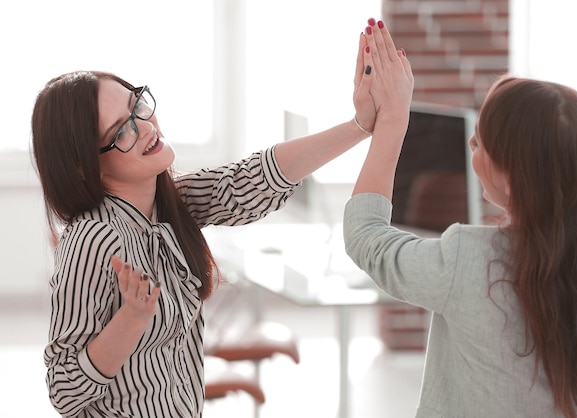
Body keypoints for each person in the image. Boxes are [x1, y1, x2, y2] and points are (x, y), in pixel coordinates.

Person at [31, 18, 411, 417]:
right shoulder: (94, 239)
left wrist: (360, 126)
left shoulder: (167, 204)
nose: (145, 127)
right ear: (86, 167)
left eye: (137, 106)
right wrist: (131, 320)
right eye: (122, 131)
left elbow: (251, 179)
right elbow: (65, 390)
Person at [344, 74, 577, 417]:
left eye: (480, 142)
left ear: (510, 175)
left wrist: (391, 122)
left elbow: (365, 237)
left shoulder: (468, 259)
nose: (470, 144)